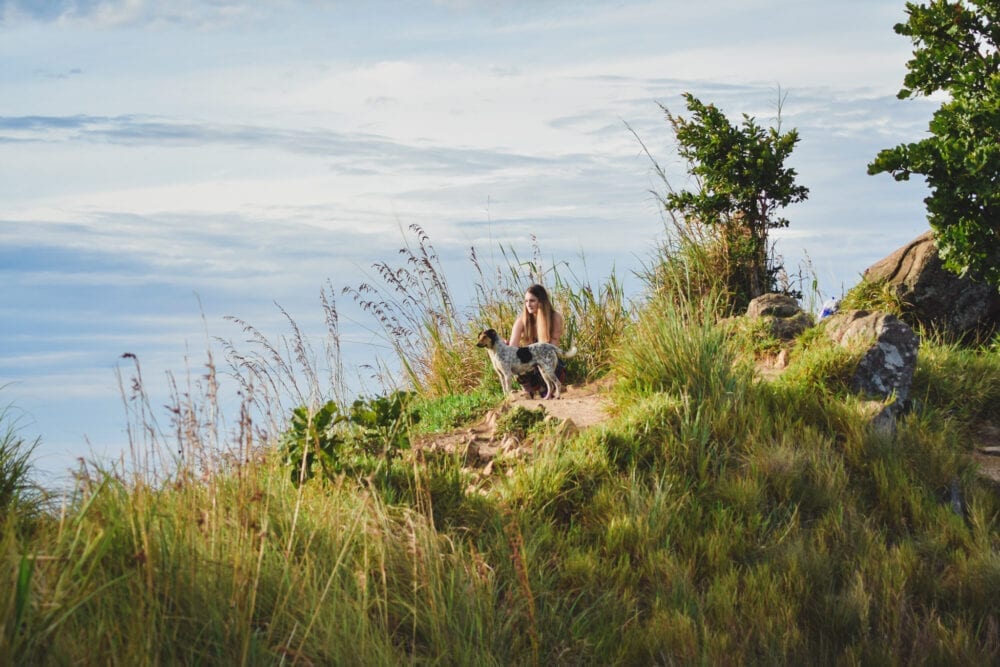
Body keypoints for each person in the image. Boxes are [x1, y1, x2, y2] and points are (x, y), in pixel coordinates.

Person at [509, 284, 568, 397]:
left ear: (541, 301)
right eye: (526, 301)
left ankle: (550, 388)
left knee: (545, 365)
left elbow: (553, 348)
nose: (528, 305)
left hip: (549, 360)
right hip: (531, 362)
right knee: (514, 365)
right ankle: (536, 390)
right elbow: (512, 349)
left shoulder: (555, 317)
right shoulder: (521, 321)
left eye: (532, 301)